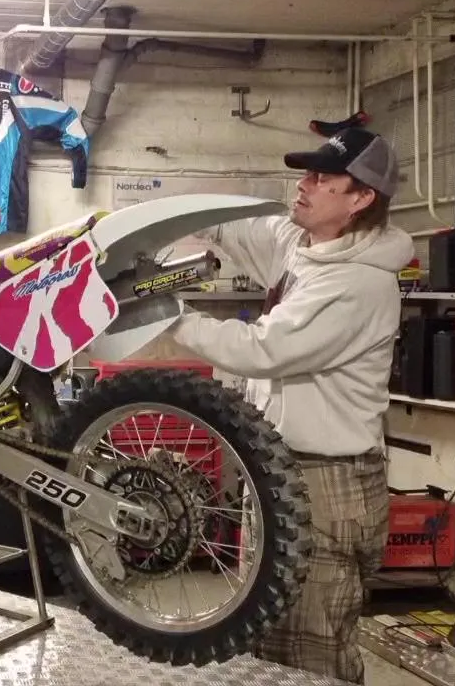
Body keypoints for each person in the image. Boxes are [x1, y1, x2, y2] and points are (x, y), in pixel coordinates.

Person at [172, 126, 414, 684]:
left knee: (311, 654)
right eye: (307, 173)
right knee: (265, 639)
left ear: (361, 198)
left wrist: (162, 313)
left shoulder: (357, 284)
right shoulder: (302, 245)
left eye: (323, 178)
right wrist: (158, 220)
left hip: (325, 482)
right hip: (280, 469)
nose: (303, 185)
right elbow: (235, 225)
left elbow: (263, 350)